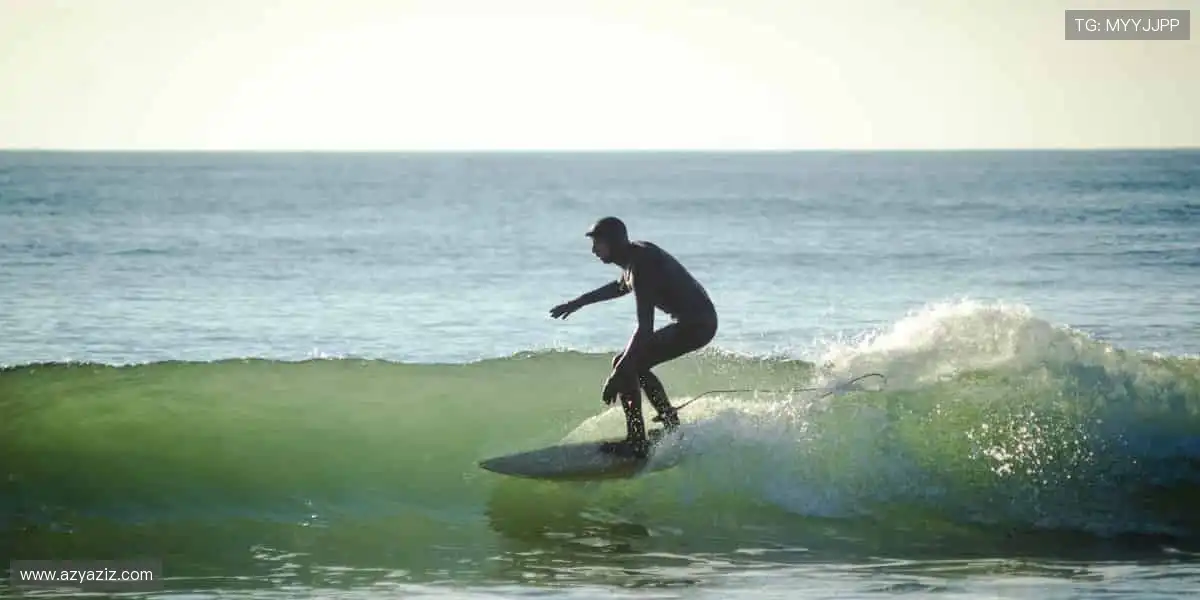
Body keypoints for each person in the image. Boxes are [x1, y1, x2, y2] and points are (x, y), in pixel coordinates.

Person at [549, 216, 718, 458]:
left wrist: (617, 374)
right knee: (633, 365)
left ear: (614, 242)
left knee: (626, 364)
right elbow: (620, 286)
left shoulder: (642, 264)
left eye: (598, 243)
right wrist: (578, 302)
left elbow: (645, 328)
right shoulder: (634, 259)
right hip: (696, 322)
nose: (594, 250)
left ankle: (638, 440)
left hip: (697, 325)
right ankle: (670, 425)